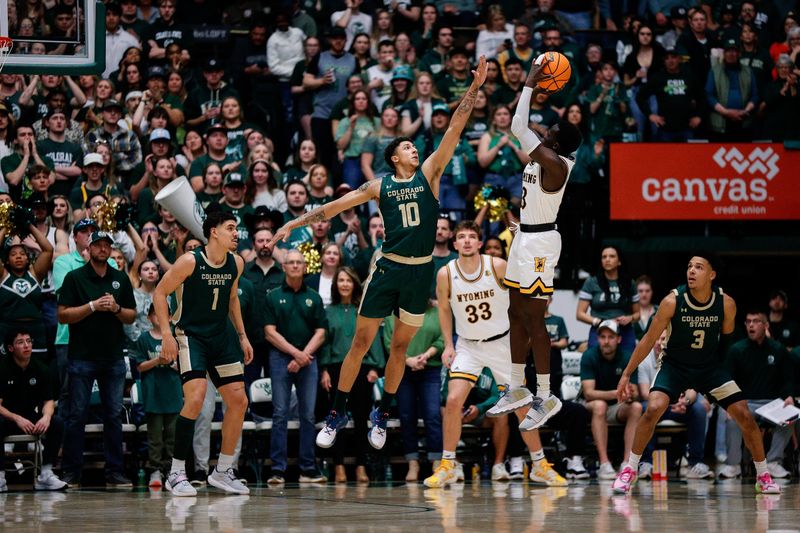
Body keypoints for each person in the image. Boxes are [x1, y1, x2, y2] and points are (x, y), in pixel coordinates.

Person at [272, 56, 489, 452]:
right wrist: (293, 224)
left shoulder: (431, 175)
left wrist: (473, 90)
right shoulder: (379, 185)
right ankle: (336, 413)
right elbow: (332, 209)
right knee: (360, 343)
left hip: (419, 272)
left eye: (413, 146)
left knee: (400, 349)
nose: (413, 148)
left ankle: (380, 413)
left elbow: (455, 128)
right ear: (395, 157)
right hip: (388, 269)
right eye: (407, 146)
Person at [610, 254, 781, 495]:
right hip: (675, 367)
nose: (691, 271)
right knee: (652, 408)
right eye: (689, 266)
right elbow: (648, 339)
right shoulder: (672, 301)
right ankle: (630, 469)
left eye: (698, 267)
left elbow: (727, 338)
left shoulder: (726, 303)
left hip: (709, 368)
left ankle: (763, 475)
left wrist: (716, 370)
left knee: (743, 413)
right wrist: (626, 374)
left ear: (711, 275)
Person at [424, 221, 566, 488]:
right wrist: (448, 344)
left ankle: (540, 465)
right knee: (453, 400)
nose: (466, 241)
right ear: (454, 244)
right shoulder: (445, 273)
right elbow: (443, 309)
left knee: (522, 407)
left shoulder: (497, 266)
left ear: (479, 243)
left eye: (471, 237)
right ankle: (447, 465)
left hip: (501, 344)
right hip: (468, 344)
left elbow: (522, 293)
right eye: (461, 237)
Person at [486, 57, 583, 432]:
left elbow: (517, 125)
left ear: (556, 143)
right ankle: (516, 387)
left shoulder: (556, 163)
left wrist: (530, 81)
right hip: (527, 234)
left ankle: (546, 394)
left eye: (551, 130)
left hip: (541, 243)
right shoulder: (548, 156)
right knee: (514, 313)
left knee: (534, 317)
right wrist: (519, 223)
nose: (545, 130)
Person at [153, 210, 254, 497]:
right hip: (191, 335)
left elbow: (232, 298)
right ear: (213, 232)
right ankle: (176, 473)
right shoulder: (189, 261)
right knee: (195, 398)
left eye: (237, 228)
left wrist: (243, 336)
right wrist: (167, 334)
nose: (236, 233)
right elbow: (159, 293)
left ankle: (222, 471)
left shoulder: (236, 263)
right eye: (231, 228)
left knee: (239, 400)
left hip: (221, 337)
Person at [56, 231, 136, 488]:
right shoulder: (74, 278)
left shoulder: (120, 278)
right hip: (81, 356)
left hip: (112, 356)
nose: (103, 249)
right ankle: (71, 472)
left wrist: (116, 309)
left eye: (107, 245)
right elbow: (63, 316)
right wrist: (92, 306)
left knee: (113, 415)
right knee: (76, 414)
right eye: (98, 245)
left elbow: (131, 316)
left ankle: (115, 472)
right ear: (88, 249)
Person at [262, 249, 328, 484]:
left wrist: (303, 356)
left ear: (305, 267)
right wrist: (296, 354)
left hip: (308, 360)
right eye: (290, 262)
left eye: (299, 262)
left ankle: (308, 469)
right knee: (280, 414)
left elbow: (321, 332)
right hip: (280, 359)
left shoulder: (314, 297)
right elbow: (269, 333)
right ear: (284, 267)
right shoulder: (272, 296)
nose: (295, 266)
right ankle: (278, 470)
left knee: (308, 415)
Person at [318, 267, 383, 483]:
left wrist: (375, 366)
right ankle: (338, 467)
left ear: (354, 284)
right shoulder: (329, 312)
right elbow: (325, 343)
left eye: (348, 280)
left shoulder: (363, 310)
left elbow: (372, 339)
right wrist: (325, 369)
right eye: (341, 280)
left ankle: (361, 467)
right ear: (335, 284)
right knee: (336, 422)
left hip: (363, 369)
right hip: (337, 369)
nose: (345, 284)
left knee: (361, 420)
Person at [722, 309, 795, 480]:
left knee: (790, 416)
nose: (751, 325)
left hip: (772, 403)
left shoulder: (778, 350)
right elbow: (727, 380)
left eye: (756, 321)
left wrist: (789, 396)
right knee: (731, 417)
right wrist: (731, 403)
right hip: (746, 403)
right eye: (748, 322)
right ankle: (733, 465)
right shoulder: (737, 350)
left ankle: (773, 462)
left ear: (766, 325)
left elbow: (788, 379)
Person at [0, 329, 66, 492]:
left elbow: (48, 401)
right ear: (10, 348)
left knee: (57, 423)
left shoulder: (41, 368)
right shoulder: (3, 368)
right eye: (20, 342)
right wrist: (16, 418)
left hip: (30, 417)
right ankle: (0, 477)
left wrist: (46, 417)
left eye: (29, 341)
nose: (26, 346)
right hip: (8, 417)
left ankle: (45, 474)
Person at [580, 320, 643, 480]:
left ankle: (627, 463)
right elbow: (588, 393)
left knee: (636, 407)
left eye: (611, 337)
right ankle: (604, 464)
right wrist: (618, 393)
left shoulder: (628, 357)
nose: (606, 341)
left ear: (619, 339)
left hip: (618, 407)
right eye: (602, 337)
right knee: (600, 405)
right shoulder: (589, 355)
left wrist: (630, 394)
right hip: (591, 407)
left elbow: (635, 391)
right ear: (597, 338)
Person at [131, 303, 182, 488]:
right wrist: (158, 360)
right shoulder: (144, 339)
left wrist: (173, 363)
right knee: (155, 438)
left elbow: (184, 366)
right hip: (153, 394)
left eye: (162, 315)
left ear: (169, 318)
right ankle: (155, 469)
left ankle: (170, 470)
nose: (158, 319)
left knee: (172, 436)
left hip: (173, 393)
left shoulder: (176, 339)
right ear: (148, 318)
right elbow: (139, 366)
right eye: (154, 315)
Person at [0, 223, 53, 359]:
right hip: (8, 328)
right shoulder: (3, 276)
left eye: (22, 254)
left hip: (35, 329)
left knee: (38, 371)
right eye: (13, 254)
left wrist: (28, 224)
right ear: (7, 260)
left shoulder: (35, 274)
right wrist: (7, 224)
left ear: (27, 258)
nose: (18, 256)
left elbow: (48, 250)